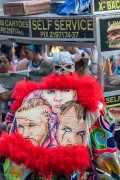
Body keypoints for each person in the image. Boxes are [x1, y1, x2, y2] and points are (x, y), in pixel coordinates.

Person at [0, 52, 119, 179]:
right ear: (74, 68)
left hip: (39, 171)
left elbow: (10, 127)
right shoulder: (89, 100)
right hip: (72, 171)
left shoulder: (31, 96)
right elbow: (104, 137)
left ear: (52, 69)